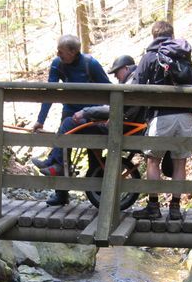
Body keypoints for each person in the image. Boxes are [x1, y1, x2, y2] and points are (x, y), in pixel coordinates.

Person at [38, 55, 140, 206]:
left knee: (68, 125)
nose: (116, 78)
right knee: (67, 128)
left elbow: (110, 97)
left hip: (109, 123)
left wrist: (87, 112)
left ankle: (57, 165)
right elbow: (50, 91)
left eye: (117, 73)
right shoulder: (133, 81)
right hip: (104, 119)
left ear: (126, 68)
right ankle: (57, 174)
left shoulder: (128, 81)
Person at [30, 35, 111, 205]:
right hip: (69, 113)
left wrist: (110, 115)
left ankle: (99, 196)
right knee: (63, 151)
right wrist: (40, 120)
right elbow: (50, 92)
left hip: (91, 115)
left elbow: (110, 90)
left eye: (61, 51)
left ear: (73, 52)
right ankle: (61, 194)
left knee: (94, 153)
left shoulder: (91, 64)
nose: (57, 53)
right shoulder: (57, 64)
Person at [132, 21, 192, 221]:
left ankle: (153, 207)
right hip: (187, 115)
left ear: (154, 36)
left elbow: (137, 86)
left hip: (162, 116)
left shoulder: (150, 56)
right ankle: (175, 208)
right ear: (172, 34)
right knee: (180, 162)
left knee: (153, 160)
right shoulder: (183, 54)